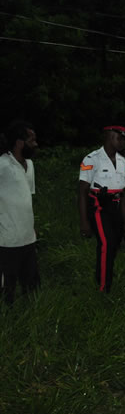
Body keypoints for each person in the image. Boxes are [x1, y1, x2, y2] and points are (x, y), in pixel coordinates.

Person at [78, 125, 125, 293]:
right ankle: (104, 287)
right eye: (119, 138)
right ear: (109, 137)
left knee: (113, 243)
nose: (122, 142)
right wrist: (84, 222)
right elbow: (82, 192)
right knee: (106, 244)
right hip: (99, 207)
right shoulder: (92, 159)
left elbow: (122, 193)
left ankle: (102, 274)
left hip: (116, 206)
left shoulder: (122, 161)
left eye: (123, 138)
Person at [0, 120, 40, 303]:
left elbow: (27, 198)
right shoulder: (3, 164)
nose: (35, 144)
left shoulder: (30, 165)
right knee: (7, 288)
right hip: (7, 240)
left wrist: (32, 227)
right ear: (19, 143)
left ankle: (29, 319)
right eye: (32, 140)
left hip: (28, 238)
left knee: (31, 287)